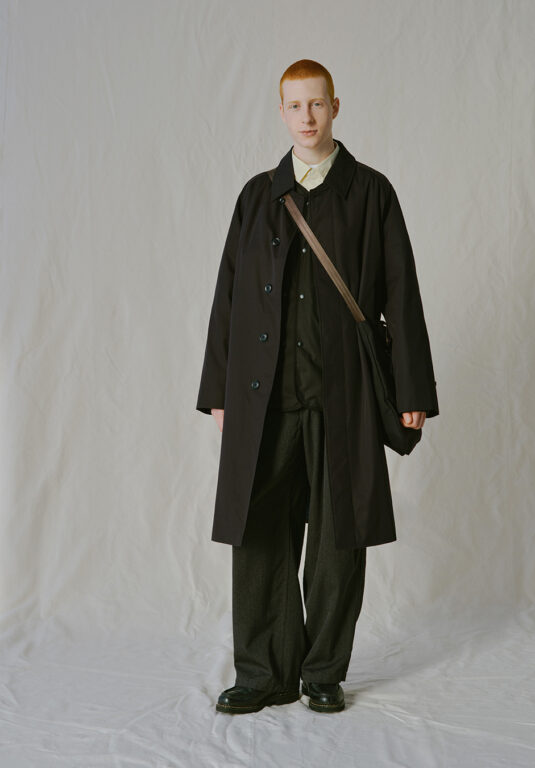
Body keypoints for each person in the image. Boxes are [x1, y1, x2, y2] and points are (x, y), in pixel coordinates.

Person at [196, 59, 439, 715]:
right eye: (295, 105)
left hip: (344, 398)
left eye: (317, 104)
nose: (306, 116)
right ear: (282, 112)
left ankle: (323, 672)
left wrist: (412, 390)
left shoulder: (371, 192)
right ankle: (262, 674)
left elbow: (401, 294)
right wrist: (218, 389)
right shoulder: (256, 197)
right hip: (263, 399)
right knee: (258, 535)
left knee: (339, 538)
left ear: (336, 107)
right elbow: (228, 294)